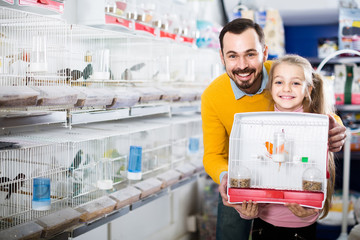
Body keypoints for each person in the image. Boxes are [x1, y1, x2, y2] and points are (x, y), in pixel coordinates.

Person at [201, 18, 346, 240]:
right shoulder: (213, 95)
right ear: (222, 57)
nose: (242, 65)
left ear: (265, 52)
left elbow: (316, 107)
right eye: (232, 56)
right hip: (244, 180)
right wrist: (226, 178)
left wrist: (336, 125)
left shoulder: (283, 75)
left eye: (250, 54)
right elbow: (213, 155)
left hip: (290, 179)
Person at [234, 54, 337, 240]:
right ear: (270, 87)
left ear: (308, 90)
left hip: (301, 226)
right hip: (263, 223)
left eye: (296, 83)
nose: (286, 88)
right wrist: (246, 211)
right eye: (279, 82)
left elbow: (318, 175)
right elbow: (252, 172)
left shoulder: (317, 127)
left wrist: (311, 212)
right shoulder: (256, 126)